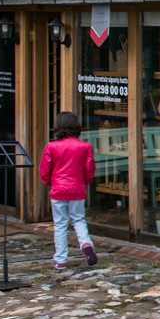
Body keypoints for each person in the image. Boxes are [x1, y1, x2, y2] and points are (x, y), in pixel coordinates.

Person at [39, 111, 98, 270]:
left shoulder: (51, 146)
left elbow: (45, 171)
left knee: (60, 224)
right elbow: (89, 169)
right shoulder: (85, 147)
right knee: (79, 220)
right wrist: (83, 183)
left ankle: (61, 259)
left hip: (58, 189)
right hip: (77, 188)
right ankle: (86, 244)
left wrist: (49, 183)